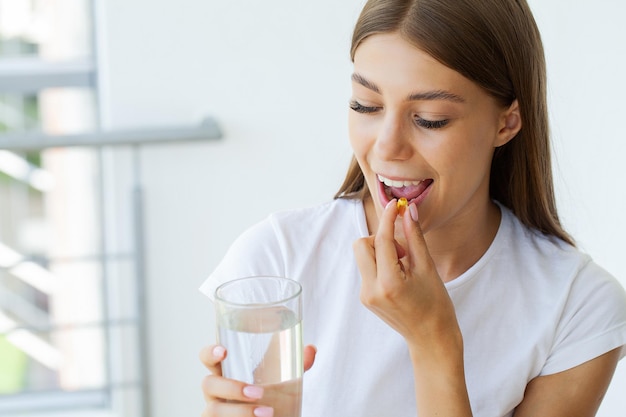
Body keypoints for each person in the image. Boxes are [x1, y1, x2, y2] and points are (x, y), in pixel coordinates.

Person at [198, 0, 626, 416]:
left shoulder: (578, 304)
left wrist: (433, 340)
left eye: (430, 118)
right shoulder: (278, 259)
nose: (386, 146)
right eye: (366, 106)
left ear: (506, 122)